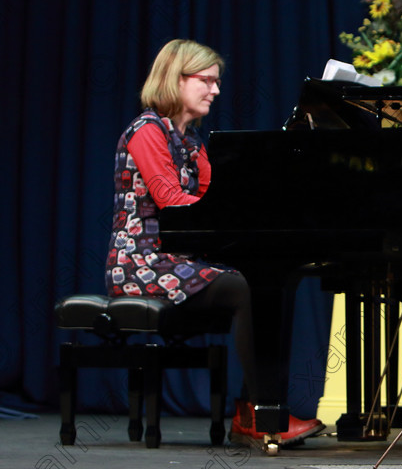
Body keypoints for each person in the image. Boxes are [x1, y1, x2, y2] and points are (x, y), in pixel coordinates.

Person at [105, 39, 324, 449]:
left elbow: (216, 198)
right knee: (243, 287)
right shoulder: (147, 131)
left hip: (175, 258)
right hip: (140, 261)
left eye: (217, 82)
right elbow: (171, 200)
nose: (216, 90)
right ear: (175, 79)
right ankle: (262, 414)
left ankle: (251, 412)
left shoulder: (191, 143)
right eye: (206, 80)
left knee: (266, 283)